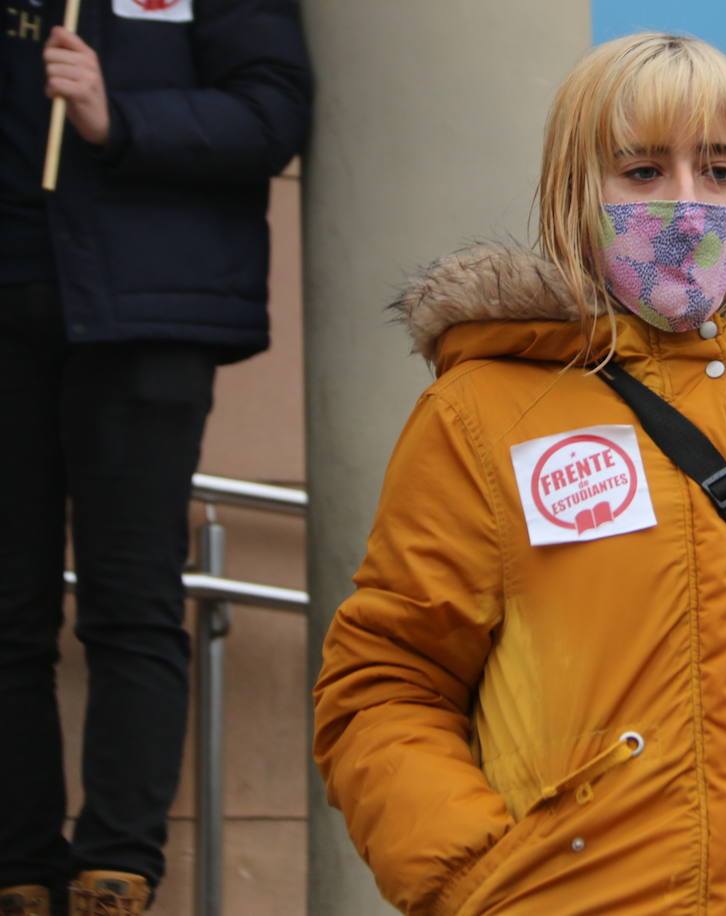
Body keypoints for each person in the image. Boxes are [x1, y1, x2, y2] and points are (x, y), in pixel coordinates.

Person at [313, 32, 726, 916]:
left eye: (718, 169)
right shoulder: (480, 417)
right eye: (641, 172)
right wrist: (480, 882)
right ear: (573, 195)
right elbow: (386, 687)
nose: (688, 207)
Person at [0, 1, 311, 913]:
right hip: (10, 297)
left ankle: (117, 871)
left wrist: (115, 114)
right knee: (7, 609)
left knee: (131, 596)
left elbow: (273, 111)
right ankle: (17, 869)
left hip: (145, 312)